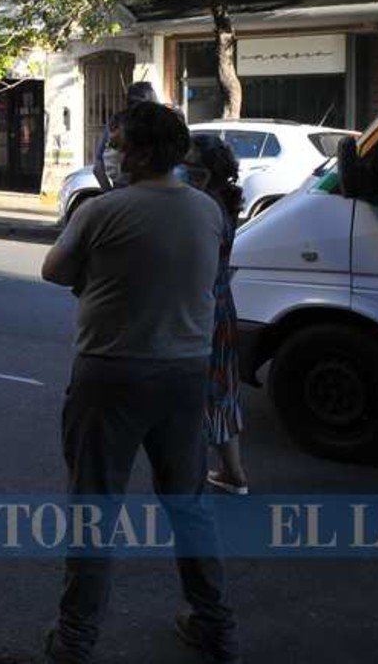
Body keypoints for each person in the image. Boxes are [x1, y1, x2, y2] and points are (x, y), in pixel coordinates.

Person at [40, 102, 239, 664]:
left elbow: (54, 270)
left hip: (112, 371)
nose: (114, 152)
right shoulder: (206, 211)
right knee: (189, 504)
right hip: (185, 372)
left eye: (122, 143)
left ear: (145, 151)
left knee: (94, 507)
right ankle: (215, 626)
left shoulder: (103, 211)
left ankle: (75, 641)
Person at [184, 134, 251, 496]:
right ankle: (233, 472)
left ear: (205, 173)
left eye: (190, 165)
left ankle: (199, 474)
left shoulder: (204, 209)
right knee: (221, 389)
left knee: (199, 392)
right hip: (222, 305)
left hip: (204, 308)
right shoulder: (223, 201)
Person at [92, 81, 159, 192]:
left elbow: (97, 167)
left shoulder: (116, 122)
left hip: (120, 191)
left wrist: (110, 193)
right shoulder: (158, 124)